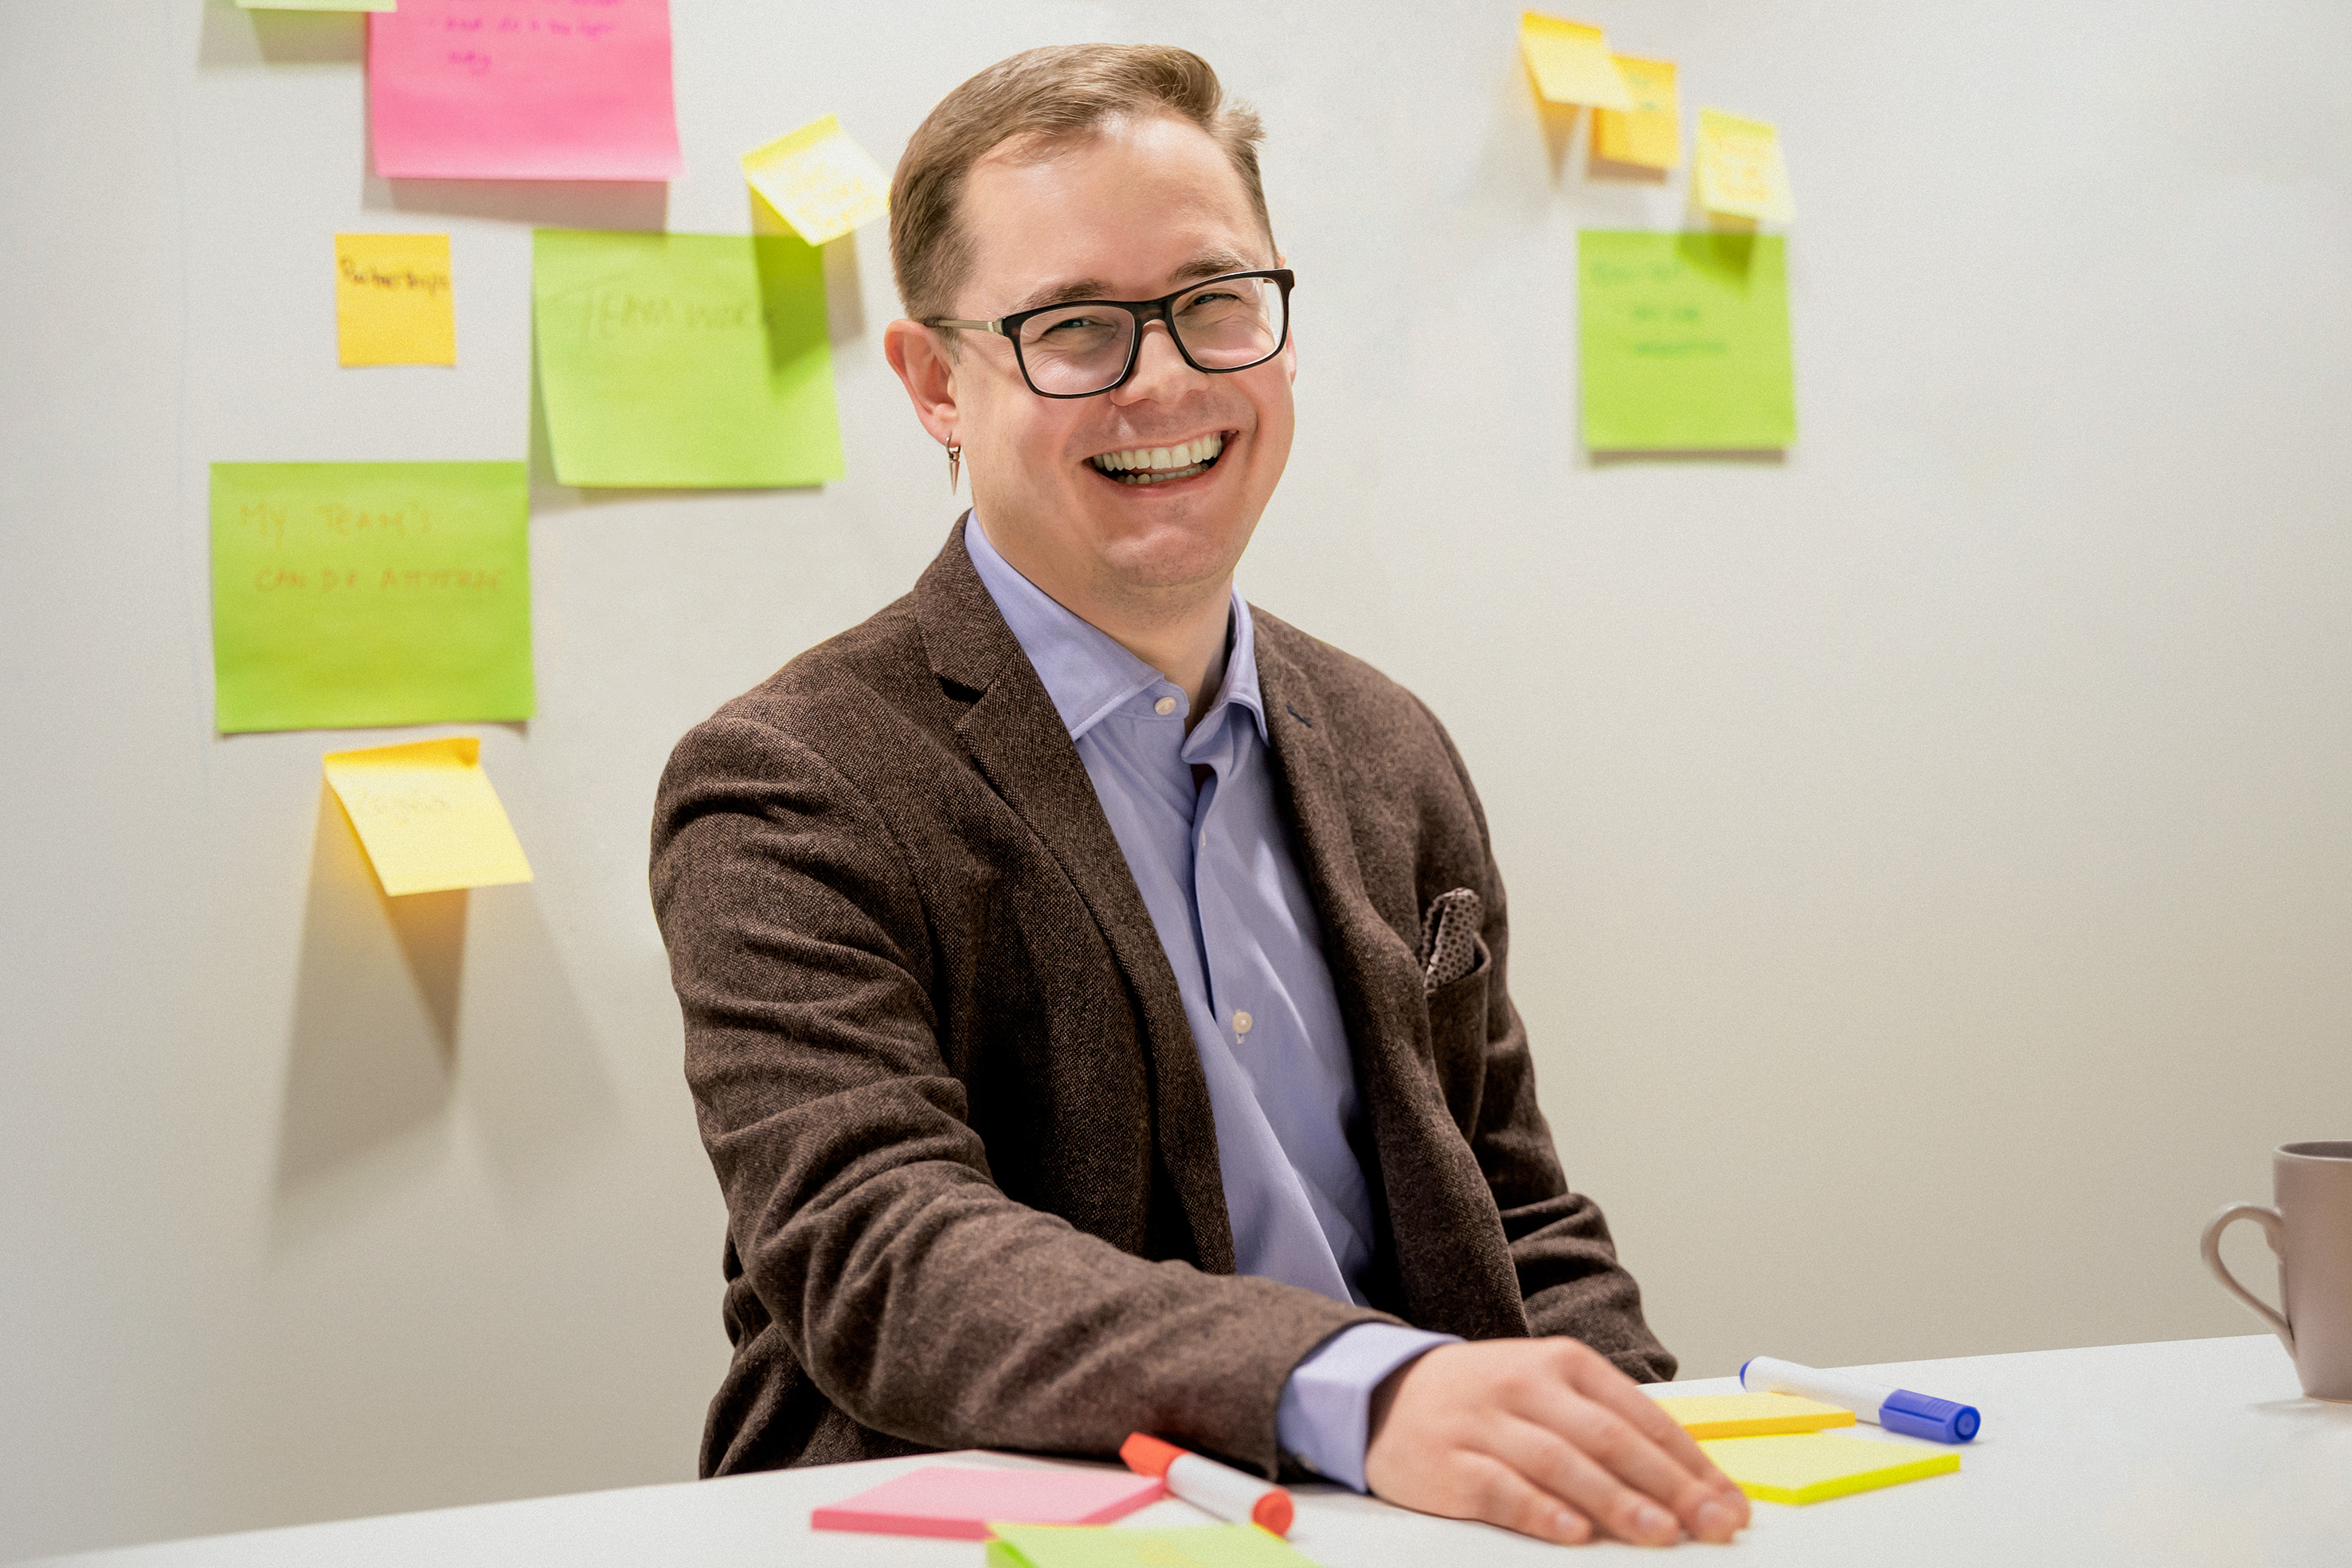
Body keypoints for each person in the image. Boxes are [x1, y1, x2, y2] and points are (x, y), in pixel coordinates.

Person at [650, 43, 1749, 1548]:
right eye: (1075, 327)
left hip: (1388, 1518)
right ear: (933, 384)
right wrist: (1357, 1387)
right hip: (1019, 1528)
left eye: (1213, 301)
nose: (1163, 379)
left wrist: (1637, 1453)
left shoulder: (1385, 741)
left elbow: (1514, 1211)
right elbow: (883, 1253)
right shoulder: (788, 782)